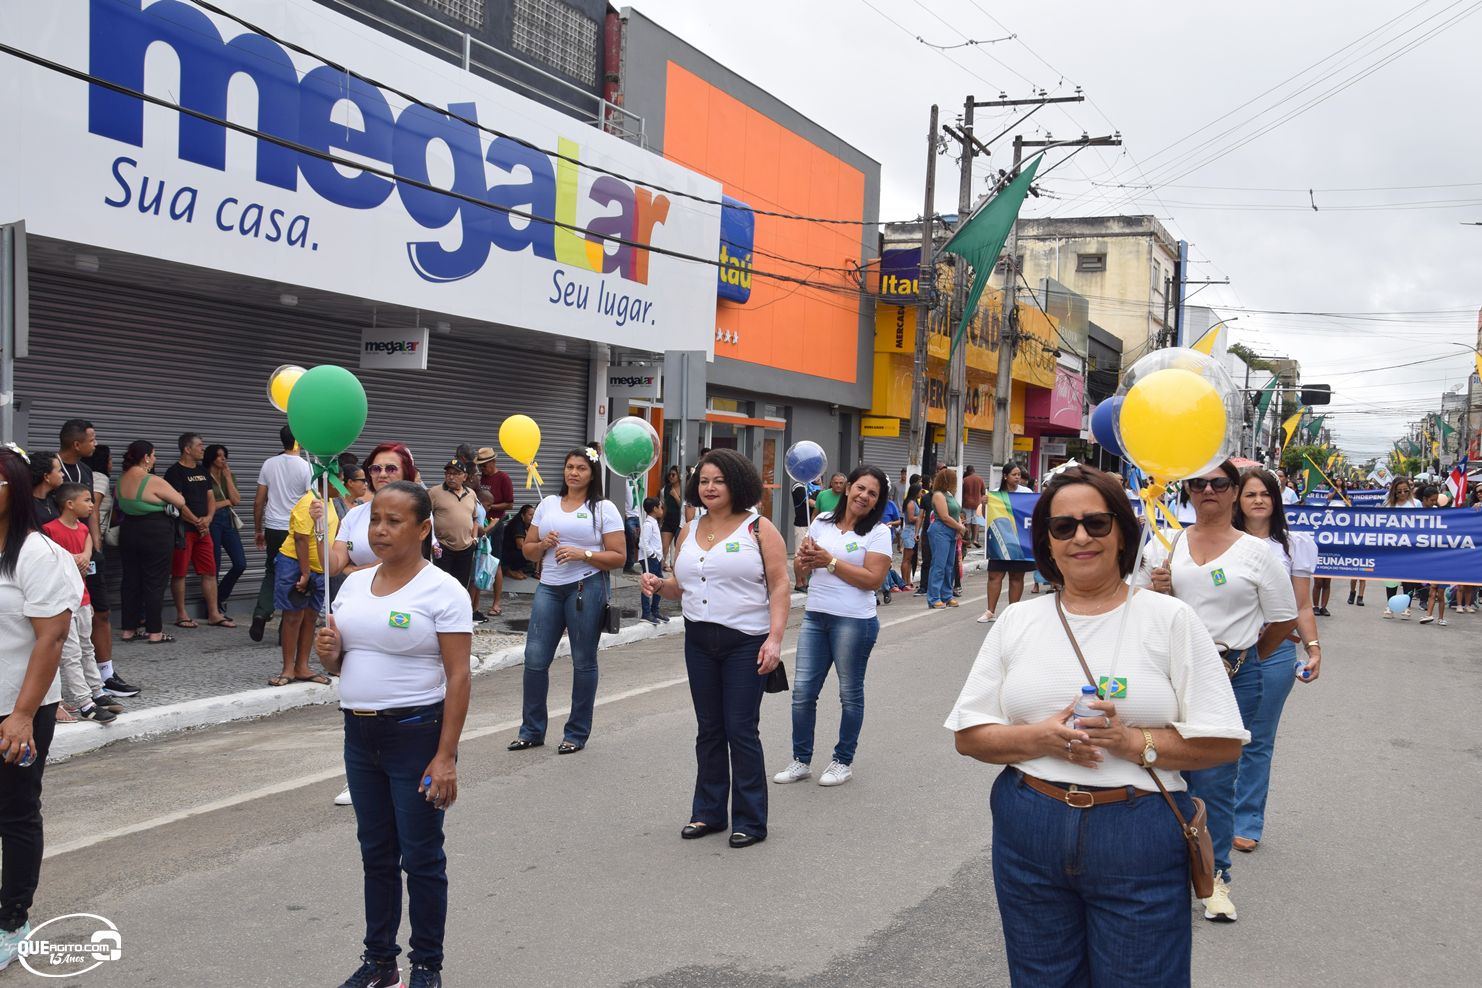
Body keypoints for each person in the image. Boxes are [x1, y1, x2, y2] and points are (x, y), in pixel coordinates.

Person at [946, 464, 1247, 985]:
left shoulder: (1171, 619)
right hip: (1029, 824)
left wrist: (1132, 741)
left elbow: (1222, 744)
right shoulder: (1018, 620)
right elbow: (969, 736)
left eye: (1096, 523)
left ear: (1123, 533)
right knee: (1042, 978)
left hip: (1137, 830)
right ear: (1047, 541)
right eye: (1063, 527)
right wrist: (1040, 738)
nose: (1080, 537)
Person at [315, 481, 471, 988]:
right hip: (359, 736)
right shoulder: (353, 584)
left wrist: (445, 757)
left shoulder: (443, 591)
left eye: (394, 521)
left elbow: (459, 677)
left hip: (415, 735)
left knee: (421, 857)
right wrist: (328, 655)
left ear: (423, 529)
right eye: (375, 520)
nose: (380, 530)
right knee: (376, 854)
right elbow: (343, 664)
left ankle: (427, 966)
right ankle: (380, 962)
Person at [1137, 459, 1298, 922]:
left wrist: (1244, 657)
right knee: (1160, 771)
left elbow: (1283, 618)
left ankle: (1215, 878)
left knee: (1215, 780)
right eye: (1198, 483)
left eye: (1219, 483)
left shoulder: (1257, 553)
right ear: (1187, 491)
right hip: (1169, 673)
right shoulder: (1165, 543)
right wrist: (1159, 591)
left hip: (1233, 674)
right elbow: (1134, 603)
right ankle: (1159, 871)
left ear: (1234, 492)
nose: (1208, 490)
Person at [640, 449, 787, 847]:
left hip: (746, 642)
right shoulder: (688, 530)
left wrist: (775, 639)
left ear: (736, 483)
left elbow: (779, 585)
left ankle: (750, 820)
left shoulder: (759, 528)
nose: (709, 487)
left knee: (740, 729)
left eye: (718, 480)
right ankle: (708, 812)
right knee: (709, 729)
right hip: (699, 641)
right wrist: (659, 585)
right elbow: (681, 586)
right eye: (704, 480)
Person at [0, 446, 78, 968]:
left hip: (17, 710)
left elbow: (51, 638)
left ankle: (12, 920)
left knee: (15, 812)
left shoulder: (37, 554)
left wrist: (23, 714)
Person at [775, 464, 892, 788]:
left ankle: (843, 761)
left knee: (849, 694)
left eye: (873, 494)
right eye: (860, 488)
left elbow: (873, 580)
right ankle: (801, 760)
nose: (864, 496)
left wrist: (830, 561)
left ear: (878, 501)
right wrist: (803, 559)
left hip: (854, 622)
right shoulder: (822, 521)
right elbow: (803, 570)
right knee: (803, 693)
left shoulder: (878, 532)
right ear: (848, 487)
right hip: (816, 616)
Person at [508, 448, 625, 754]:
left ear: (592, 473)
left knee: (583, 660)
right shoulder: (547, 504)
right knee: (535, 659)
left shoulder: (604, 509)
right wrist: (542, 545)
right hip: (548, 588)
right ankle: (531, 730)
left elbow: (619, 556)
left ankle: (576, 733)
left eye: (581, 468)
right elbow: (528, 550)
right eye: (569, 466)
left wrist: (582, 553)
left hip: (586, 587)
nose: (573, 472)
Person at [1230, 468, 1320, 855]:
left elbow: (1302, 605)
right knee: (1214, 735)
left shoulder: (1294, 545)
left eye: (1265, 494)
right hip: (1222, 651)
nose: (1258, 500)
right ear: (1237, 500)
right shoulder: (1219, 541)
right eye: (1250, 494)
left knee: (1257, 740)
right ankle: (1205, 814)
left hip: (1274, 651)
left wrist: (1313, 648)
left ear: (1276, 499)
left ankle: (1246, 820)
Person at [41, 483, 118, 724]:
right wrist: (72, 559)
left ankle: (97, 691)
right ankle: (84, 702)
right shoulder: (49, 530)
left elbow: (86, 555)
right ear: (69, 504)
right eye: (87, 500)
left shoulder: (83, 529)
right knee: (71, 652)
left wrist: (84, 556)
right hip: (61, 601)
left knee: (87, 647)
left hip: (82, 598)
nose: (92, 505)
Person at [116, 441, 189, 644]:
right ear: (146, 457)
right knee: (154, 581)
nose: (155, 459)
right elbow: (180, 502)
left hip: (128, 531)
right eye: (154, 455)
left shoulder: (122, 479)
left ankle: (128, 629)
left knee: (130, 581)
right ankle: (155, 632)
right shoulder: (153, 480)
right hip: (155, 532)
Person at [82, 444, 137, 698]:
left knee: (99, 611)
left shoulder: (85, 473)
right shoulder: (99, 478)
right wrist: (96, 546)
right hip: (88, 549)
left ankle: (104, 675)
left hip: (88, 548)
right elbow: (92, 509)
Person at [269, 487, 337, 688]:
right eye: (340, 479)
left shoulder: (330, 502)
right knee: (293, 616)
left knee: (310, 617)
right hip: (295, 564)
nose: (342, 485)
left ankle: (302, 667)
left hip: (319, 568)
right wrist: (305, 573)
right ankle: (288, 669)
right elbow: (300, 537)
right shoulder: (309, 501)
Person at [250, 427, 312, 643]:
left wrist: (258, 529)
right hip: (295, 529)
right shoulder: (306, 467)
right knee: (296, 575)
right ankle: (285, 630)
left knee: (271, 571)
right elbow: (310, 501)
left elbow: (259, 501)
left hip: (273, 527)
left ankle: (261, 612)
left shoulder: (269, 464)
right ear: (299, 441)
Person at [164, 433, 230, 629]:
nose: (203, 449)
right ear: (187, 449)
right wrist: (195, 520)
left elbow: (210, 497)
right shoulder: (174, 472)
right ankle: (182, 615)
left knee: (209, 571)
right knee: (180, 572)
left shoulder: (202, 471)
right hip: (184, 530)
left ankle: (214, 613)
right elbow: (178, 502)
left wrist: (208, 519)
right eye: (199, 445)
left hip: (204, 530)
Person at [981, 461, 1036, 623]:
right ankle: (990, 611)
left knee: (1016, 577)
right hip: (999, 542)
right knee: (994, 575)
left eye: (1019, 474)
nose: (1018, 477)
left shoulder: (1026, 493)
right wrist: (984, 504)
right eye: (1014, 474)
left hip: (1019, 543)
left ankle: (1013, 612)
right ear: (1005, 476)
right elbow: (986, 516)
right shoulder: (995, 494)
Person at [203, 444, 248, 619]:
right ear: (211, 458)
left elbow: (236, 500)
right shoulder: (203, 476)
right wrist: (226, 502)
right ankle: (213, 609)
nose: (223, 459)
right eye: (219, 456)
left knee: (240, 563)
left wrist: (228, 478)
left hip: (227, 520)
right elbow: (207, 505)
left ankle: (220, 596)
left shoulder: (228, 475)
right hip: (212, 521)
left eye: (225, 456)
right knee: (214, 565)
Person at [472, 447, 513, 621]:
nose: (482, 469)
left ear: (493, 462)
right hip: (480, 524)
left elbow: (509, 504)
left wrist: (489, 506)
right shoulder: (480, 478)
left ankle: (497, 603)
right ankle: (475, 604)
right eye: (480, 466)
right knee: (478, 561)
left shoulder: (503, 478)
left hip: (495, 523)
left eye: (485, 465)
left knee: (495, 561)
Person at [428, 459, 478, 593]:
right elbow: (426, 517)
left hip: (466, 548)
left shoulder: (471, 494)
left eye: (456, 474)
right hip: (442, 547)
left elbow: (475, 519)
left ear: (464, 477)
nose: (451, 477)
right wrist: (432, 542)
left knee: (461, 587)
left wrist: (474, 539)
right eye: (448, 473)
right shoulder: (435, 492)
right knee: (441, 586)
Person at [924, 467, 965, 610]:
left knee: (949, 566)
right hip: (940, 531)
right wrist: (959, 527)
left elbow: (956, 513)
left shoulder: (949, 495)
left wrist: (959, 527)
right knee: (939, 565)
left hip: (951, 531)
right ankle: (934, 598)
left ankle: (947, 595)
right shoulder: (938, 495)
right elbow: (944, 516)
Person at [1417, 484, 1448, 626]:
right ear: (1424, 499)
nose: (1434, 503)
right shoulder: (1415, 511)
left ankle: (1441, 617)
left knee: (1440, 593)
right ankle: (1428, 614)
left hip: (1440, 559)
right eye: (1432, 500)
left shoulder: (1439, 513)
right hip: (1427, 558)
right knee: (1432, 590)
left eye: (1436, 500)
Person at [639, 496, 666, 624]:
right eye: (661, 507)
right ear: (655, 509)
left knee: (659, 583)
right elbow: (643, 543)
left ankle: (654, 610)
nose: (662, 509)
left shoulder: (654, 522)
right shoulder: (648, 524)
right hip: (650, 559)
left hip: (656, 558)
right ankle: (646, 613)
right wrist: (653, 555)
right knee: (648, 584)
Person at [791, 478, 816, 592]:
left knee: (808, 553)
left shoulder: (812, 486)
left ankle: (805, 582)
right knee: (799, 554)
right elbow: (809, 502)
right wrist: (820, 503)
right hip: (801, 524)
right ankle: (798, 583)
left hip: (811, 524)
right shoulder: (798, 486)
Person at [499, 504, 537, 580]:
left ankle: (518, 569)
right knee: (527, 551)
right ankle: (509, 570)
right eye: (530, 515)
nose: (533, 517)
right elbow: (520, 545)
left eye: (534, 515)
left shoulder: (527, 524)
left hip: (512, 551)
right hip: (506, 554)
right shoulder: (517, 524)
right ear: (522, 515)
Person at [900, 474, 922, 590]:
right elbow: (910, 518)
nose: (921, 493)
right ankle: (904, 582)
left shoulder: (913, 502)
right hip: (909, 531)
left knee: (910, 558)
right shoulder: (911, 503)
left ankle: (908, 581)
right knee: (907, 558)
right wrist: (920, 517)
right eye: (919, 491)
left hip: (912, 532)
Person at [29, 452, 61, 527]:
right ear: (46, 476)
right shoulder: (27, 505)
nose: (63, 474)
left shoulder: (55, 500)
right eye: (59, 471)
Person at [661, 465, 683, 570]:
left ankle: (676, 569)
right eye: (669, 474)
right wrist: (661, 519)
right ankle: (660, 568)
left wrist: (675, 496)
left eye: (673, 475)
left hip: (679, 521)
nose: (671, 476)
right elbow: (665, 505)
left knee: (678, 547)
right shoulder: (666, 488)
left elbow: (683, 506)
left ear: (679, 476)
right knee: (664, 546)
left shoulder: (684, 488)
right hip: (668, 520)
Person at [961, 465, 986, 549]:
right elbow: (983, 492)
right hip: (977, 504)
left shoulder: (965, 480)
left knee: (967, 522)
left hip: (966, 503)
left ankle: (968, 541)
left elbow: (962, 492)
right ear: (974, 470)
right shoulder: (980, 479)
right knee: (976, 522)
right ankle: (975, 539)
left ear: (967, 471)